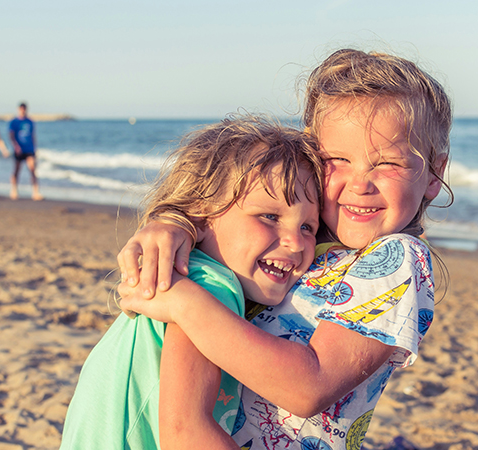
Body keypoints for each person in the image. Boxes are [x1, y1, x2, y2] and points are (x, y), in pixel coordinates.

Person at [116, 49, 452, 450]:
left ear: (434, 174)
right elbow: (235, 212)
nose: (360, 183)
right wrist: (178, 224)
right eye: (337, 159)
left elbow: (308, 387)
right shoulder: (308, 240)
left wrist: (185, 303)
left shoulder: (397, 259)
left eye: (387, 165)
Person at [59, 116, 323, 450]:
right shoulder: (210, 286)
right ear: (201, 215)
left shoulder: (192, 276)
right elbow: (186, 433)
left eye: (308, 228)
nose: (296, 244)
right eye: (269, 216)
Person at [8, 102, 43, 200]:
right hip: (19, 150)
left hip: (29, 149)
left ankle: (36, 192)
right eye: (21, 109)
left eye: (24, 109)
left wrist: (35, 148)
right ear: (18, 110)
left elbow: (33, 135)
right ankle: (14, 190)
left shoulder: (30, 122)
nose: (23, 111)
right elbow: (11, 135)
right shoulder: (14, 122)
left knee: (32, 170)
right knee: (17, 170)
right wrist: (15, 146)